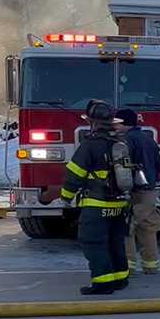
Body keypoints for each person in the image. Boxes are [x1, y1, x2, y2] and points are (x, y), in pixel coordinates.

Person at [39, 100, 131, 295]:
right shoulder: (120, 144)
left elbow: (75, 175)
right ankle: (120, 279)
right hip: (119, 203)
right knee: (115, 241)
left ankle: (103, 283)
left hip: (96, 204)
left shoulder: (90, 146)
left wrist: (66, 196)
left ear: (93, 123)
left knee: (93, 242)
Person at [116, 109, 160, 275]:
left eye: (117, 123)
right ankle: (151, 266)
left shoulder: (125, 141)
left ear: (124, 123)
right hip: (148, 190)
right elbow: (158, 165)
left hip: (131, 191)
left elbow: (121, 167)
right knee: (148, 227)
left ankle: (128, 267)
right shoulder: (148, 139)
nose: (115, 127)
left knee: (127, 226)